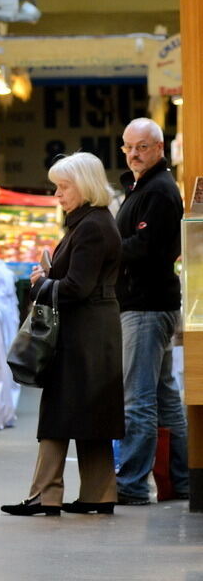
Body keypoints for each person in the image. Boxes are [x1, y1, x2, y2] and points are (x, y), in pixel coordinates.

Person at [1, 152, 124, 516]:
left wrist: (42, 283)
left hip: (82, 333)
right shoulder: (94, 222)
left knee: (59, 411)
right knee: (91, 412)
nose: (57, 193)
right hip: (94, 332)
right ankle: (98, 494)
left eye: (63, 186)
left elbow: (76, 287)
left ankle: (46, 494)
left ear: (83, 186)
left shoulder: (90, 227)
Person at [115, 118, 188, 505]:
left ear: (159, 148)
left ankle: (131, 486)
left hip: (145, 306)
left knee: (139, 400)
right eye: (127, 147)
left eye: (141, 147)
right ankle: (184, 480)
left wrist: (108, 245)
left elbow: (143, 248)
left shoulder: (159, 190)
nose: (133, 154)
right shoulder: (142, 186)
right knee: (163, 396)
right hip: (150, 305)